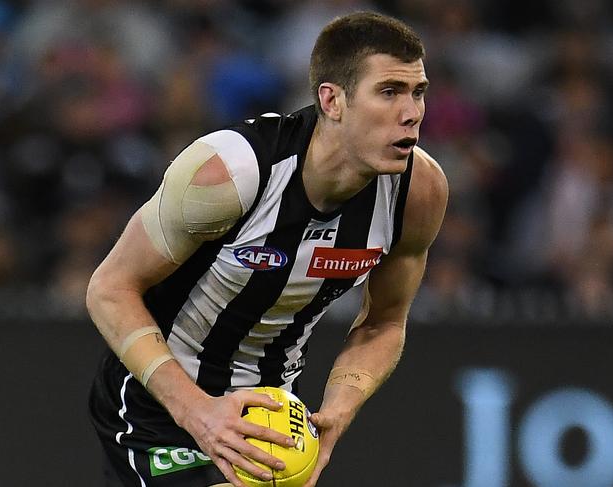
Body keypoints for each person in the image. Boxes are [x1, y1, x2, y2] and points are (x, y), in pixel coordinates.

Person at [86, 11, 448, 487]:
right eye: (389, 92)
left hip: (271, 419)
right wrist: (198, 412)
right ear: (332, 100)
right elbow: (109, 289)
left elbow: (384, 322)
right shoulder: (230, 172)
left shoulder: (418, 192)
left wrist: (338, 411)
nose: (412, 112)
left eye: (417, 92)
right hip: (159, 406)